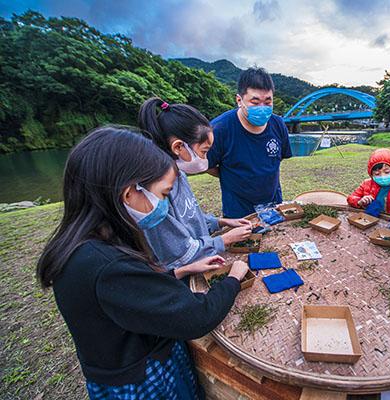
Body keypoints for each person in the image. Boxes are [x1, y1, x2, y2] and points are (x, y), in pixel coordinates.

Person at [37, 126, 250, 399]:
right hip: (143, 380)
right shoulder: (107, 266)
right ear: (128, 194)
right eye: (162, 195)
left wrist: (180, 270)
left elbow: (132, 297)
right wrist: (233, 278)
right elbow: (196, 317)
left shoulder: (85, 245)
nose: (164, 204)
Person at [138, 98, 252, 270]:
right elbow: (177, 253)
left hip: (202, 260)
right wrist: (225, 239)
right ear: (178, 147)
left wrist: (223, 222)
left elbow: (190, 216)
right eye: (204, 151)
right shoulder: (158, 191)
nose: (205, 159)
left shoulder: (179, 174)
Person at [207, 67, 292, 218]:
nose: (262, 108)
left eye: (268, 102)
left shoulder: (278, 125)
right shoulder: (219, 129)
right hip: (238, 211)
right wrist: (232, 175)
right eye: (255, 102)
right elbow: (208, 165)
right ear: (239, 100)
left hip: (273, 206)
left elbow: (277, 160)